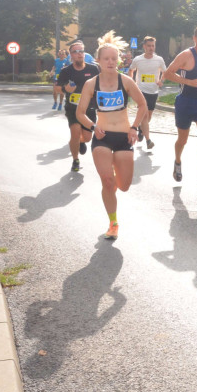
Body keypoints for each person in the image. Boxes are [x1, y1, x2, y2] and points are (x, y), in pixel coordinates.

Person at [75, 31, 147, 240]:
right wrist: (92, 125)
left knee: (123, 186)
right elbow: (80, 113)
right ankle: (113, 223)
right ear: (97, 60)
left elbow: (142, 105)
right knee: (107, 182)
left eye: (114, 59)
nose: (110, 62)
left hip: (124, 137)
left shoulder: (125, 81)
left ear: (119, 61)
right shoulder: (91, 85)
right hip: (102, 136)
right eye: (106, 58)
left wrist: (134, 127)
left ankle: (115, 175)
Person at [164, 25, 197, 196]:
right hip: (186, 102)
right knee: (183, 140)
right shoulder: (186, 55)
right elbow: (168, 73)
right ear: (194, 39)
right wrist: (189, 82)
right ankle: (178, 162)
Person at [56, 40, 100, 172]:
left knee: (87, 137)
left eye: (82, 51)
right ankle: (75, 160)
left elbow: (100, 85)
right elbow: (57, 88)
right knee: (74, 133)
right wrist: (66, 89)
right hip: (73, 108)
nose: (80, 54)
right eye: (76, 51)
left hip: (89, 108)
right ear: (71, 55)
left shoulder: (93, 68)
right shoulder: (66, 71)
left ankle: (81, 142)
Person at [128, 36, 167, 150]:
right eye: (149, 46)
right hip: (141, 90)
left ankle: (141, 130)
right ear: (144, 46)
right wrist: (132, 83)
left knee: (148, 116)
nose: (151, 48)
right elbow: (131, 70)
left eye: (153, 46)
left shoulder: (159, 59)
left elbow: (165, 72)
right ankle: (148, 140)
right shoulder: (138, 59)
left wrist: (161, 81)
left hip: (153, 91)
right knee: (144, 115)